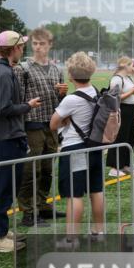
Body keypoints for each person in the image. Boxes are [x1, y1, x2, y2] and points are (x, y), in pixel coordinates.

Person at [50, 51, 106, 247]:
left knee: (74, 195)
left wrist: (65, 119)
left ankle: (71, 239)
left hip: (75, 148)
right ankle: (99, 231)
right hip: (95, 147)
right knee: (96, 190)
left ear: (71, 76)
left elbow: (53, 124)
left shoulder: (71, 100)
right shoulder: (97, 92)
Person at [15, 27, 67, 226]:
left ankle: (43, 206)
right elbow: (18, 98)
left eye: (42, 44)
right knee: (31, 170)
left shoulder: (56, 69)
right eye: (35, 44)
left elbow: (59, 100)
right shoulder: (23, 68)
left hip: (51, 124)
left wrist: (62, 93)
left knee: (47, 169)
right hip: (31, 124)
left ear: (50, 45)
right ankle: (28, 212)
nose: (38, 47)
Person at [0, 32, 40, 252]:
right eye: (21, 46)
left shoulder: (5, 70)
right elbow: (1, 108)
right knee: (3, 189)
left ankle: (1, 230)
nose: (23, 49)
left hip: (6, 137)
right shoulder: (3, 73)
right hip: (6, 139)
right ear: (13, 48)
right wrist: (27, 106)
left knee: (5, 188)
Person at [105, 57, 134, 177]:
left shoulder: (128, 78)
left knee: (129, 137)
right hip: (122, 109)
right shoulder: (117, 79)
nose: (133, 67)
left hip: (130, 110)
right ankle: (113, 167)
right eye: (131, 65)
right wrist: (132, 92)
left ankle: (125, 164)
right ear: (124, 66)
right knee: (119, 137)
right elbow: (114, 98)